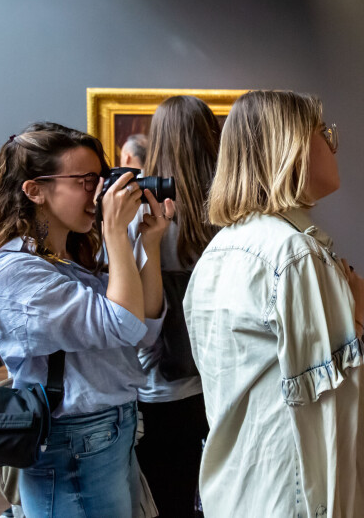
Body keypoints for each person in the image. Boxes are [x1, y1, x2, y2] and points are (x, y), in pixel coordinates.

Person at [184, 90, 364, 516]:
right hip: (290, 491)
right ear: (292, 145)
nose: (333, 146)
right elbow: (328, 420)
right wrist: (355, 310)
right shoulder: (296, 255)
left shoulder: (221, 248)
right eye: (323, 133)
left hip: (241, 484)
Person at [0, 122, 175, 517]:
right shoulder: (19, 272)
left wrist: (146, 243)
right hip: (74, 446)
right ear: (35, 190)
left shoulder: (66, 261)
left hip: (109, 432)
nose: (99, 193)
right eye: (85, 180)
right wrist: (116, 231)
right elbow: (124, 323)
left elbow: (146, 328)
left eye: (100, 179)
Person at [132, 97, 219, 517]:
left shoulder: (140, 217)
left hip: (157, 387)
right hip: (219, 380)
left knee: (167, 500)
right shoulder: (229, 216)